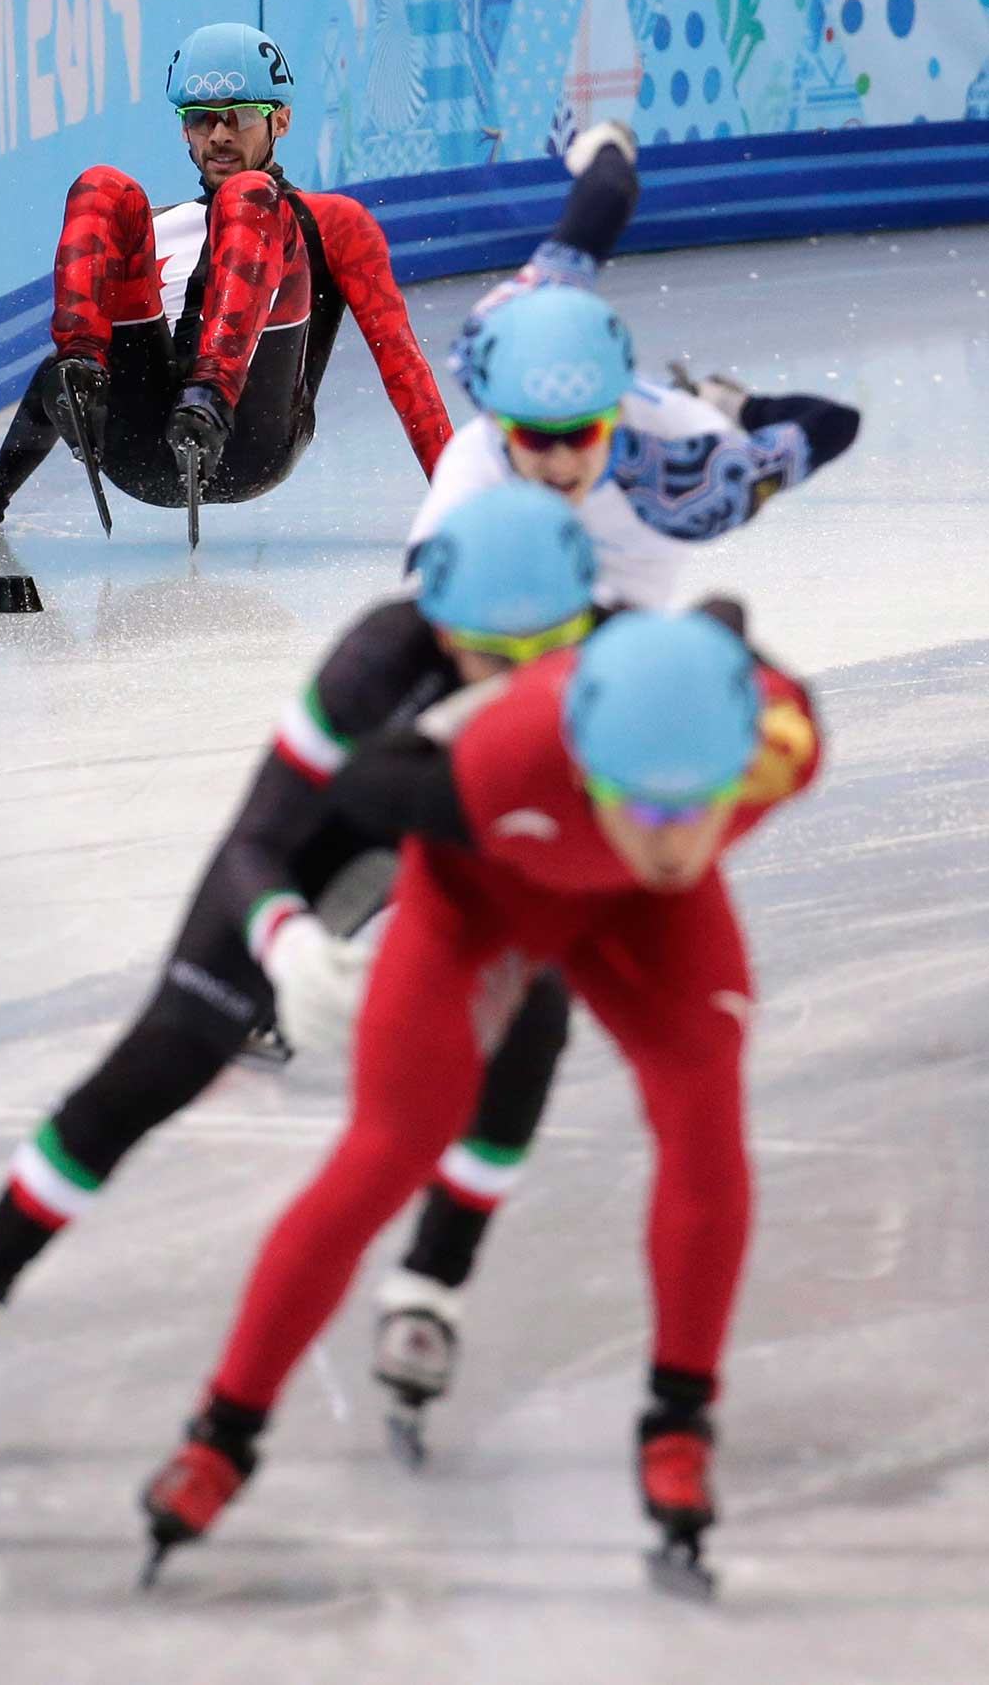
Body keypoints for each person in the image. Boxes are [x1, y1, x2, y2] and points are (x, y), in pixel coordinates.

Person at [0, 481, 599, 1464]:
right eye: (482, 654)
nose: (505, 681)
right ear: (436, 623)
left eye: (535, 655)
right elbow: (257, 838)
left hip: (470, 853)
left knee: (533, 1023)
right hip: (327, 847)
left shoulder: (614, 659)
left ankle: (432, 1284)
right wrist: (286, 936)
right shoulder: (380, 659)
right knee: (159, 1061)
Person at [142, 607, 823, 1587]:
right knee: (390, 1148)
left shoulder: (781, 743)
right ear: (586, 768)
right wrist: (292, 934)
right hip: (484, 892)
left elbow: (726, 630)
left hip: (646, 919)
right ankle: (222, 1433)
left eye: (694, 807)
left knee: (703, 1110)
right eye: (639, 807)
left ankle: (678, 1424)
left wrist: (709, 637)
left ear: (741, 769)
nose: (671, 840)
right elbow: (353, 787)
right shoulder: (496, 761)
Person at [369, 258, 859, 1443]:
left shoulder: (688, 464)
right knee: (516, 1011)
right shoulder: (476, 467)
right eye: (530, 435)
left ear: (613, 416)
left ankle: (437, 1281)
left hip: (621, 730)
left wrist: (739, 429)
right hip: (535, 712)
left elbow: (831, 423)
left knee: (549, 1027)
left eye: (579, 432)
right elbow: (414, 684)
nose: (552, 457)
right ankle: (430, 1279)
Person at [0, 22, 450, 538]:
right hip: (144, 453)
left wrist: (461, 500)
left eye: (239, 116)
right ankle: (170, 395)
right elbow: (67, 364)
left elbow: (403, 364)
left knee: (250, 195)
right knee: (103, 187)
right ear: (185, 128)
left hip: (252, 443)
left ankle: (210, 399)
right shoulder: (156, 226)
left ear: (281, 120)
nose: (219, 135)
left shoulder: (332, 223)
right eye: (200, 118)